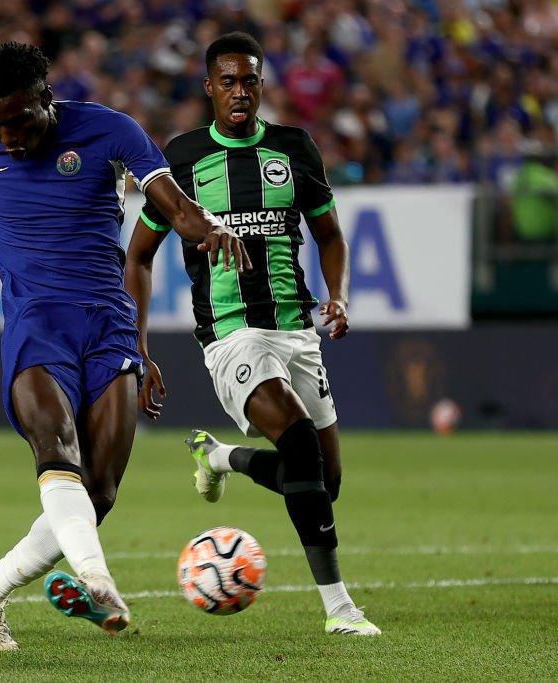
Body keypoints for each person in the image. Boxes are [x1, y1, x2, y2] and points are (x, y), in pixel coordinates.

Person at [0, 42, 251, 651]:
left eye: (18, 121)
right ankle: (98, 582)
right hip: (36, 325)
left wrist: (212, 231)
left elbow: (176, 210)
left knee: (99, 491)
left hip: (109, 324)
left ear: (45, 100)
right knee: (55, 449)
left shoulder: (111, 132)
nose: (6, 138)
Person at [125, 32, 380, 636]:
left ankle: (221, 457)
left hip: (296, 330)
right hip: (231, 334)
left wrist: (338, 296)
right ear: (209, 87)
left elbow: (330, 236)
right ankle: (340, 610)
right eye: (228, 82)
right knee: (297, 446)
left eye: (251, 82)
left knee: (325, 481)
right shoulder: (181, 158)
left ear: (262, 86)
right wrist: (137, 345)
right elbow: (137, 257)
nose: (240, 93)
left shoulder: (295, 149)